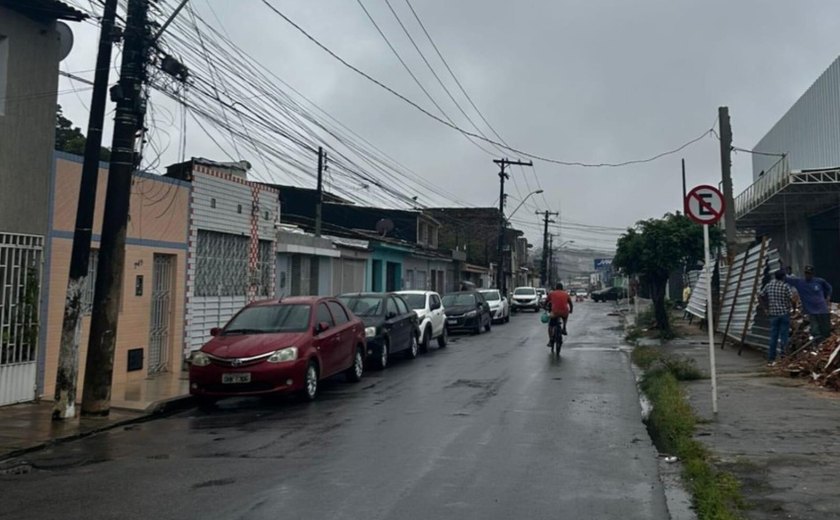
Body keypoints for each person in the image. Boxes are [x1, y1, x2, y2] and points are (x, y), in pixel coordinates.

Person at [785, 265, 833, 344]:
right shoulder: (800, 282)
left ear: (812, 274)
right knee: (815, 331)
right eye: (806, 273)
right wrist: (781, 267)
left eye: (809, 273)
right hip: (812, 312)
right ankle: (818, 345)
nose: (808, 275)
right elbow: (786, 279)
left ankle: (826, 344)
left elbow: (829, 288)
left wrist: (828, 298)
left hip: (823, 310)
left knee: (826, 331)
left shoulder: (819, 281)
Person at [759, 269, 794, 365]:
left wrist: (765, 308)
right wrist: (794, 309)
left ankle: (771, 358)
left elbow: (760, 296)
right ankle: (784, 357)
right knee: (784, 336)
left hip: (773, 315)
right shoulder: (785, 286)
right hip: (784, 314)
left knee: (773, 337)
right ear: (783, 277)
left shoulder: (769, 285)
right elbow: (792, 299)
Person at [546, 282, 573, 347]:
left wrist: (544, 307)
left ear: (556, 288)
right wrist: (571, 310)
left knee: (550, 326)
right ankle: (564, 328)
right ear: (562, 288)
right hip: (564, 312)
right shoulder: (566, 294)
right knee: (565, 317)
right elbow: (570, 303)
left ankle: (550, 340)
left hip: (555, 312)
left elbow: (546, 301)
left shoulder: (551, 293)